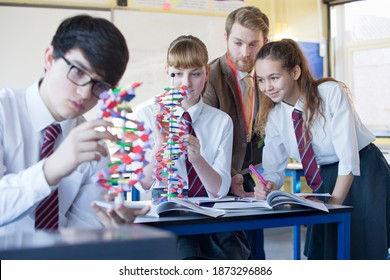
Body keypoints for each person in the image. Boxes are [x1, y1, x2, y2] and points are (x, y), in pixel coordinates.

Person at [0, 15, 149, 235]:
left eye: (100, 85)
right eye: (78, 71)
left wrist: (108, 232)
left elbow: (81, 234)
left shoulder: (93, 144)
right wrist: (51, 169)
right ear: (49, 58)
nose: (85, 93)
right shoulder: (4, 112)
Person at [253, 38, 390, 259]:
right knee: (324, 253)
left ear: (295, 72)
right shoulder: (275, 116)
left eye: (274, 78)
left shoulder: (330, 93)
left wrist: (334, 205)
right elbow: (274, 170)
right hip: (326, 177)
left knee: (361, 252)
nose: (267, 87)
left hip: (363, 172)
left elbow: (348, 157)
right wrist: (267, 185)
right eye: (261, 80)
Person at [135, 35, 250, 259]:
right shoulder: (148, 114)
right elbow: (143, 184)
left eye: (195, 74)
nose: (185, 83)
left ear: (206, 72)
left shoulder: (220, 121)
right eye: (177, 74)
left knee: (234, 251)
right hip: (167, 212)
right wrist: (160, 144)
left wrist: (198, 159)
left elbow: (219, 190)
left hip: (210, 211)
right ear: (167, 71)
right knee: (185, 253)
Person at [203, 6, 270, 259]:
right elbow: (206, 138)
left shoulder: (268, 76)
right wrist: (230, 175)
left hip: (255, 181)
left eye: (254, 44)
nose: (245, 52)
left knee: (255, 255)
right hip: (221, 179)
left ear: (266, 42)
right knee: (229, 256)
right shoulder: (210, 77)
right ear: (226, 38)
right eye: (238, 42)